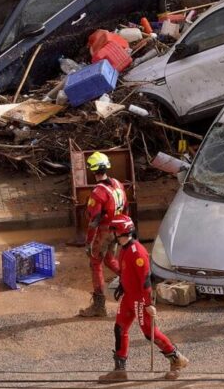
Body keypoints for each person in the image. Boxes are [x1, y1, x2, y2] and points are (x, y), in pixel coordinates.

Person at [98, 214, 189, 382]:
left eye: (114, 231)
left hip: (140, 300)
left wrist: (148, 304)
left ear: (121, 232)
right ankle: (120, 371)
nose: (113, 235)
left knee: (149, 333)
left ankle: (177, 359)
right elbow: (127, 273)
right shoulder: (124, 249)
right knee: (120, 329)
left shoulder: (137, 252)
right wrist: (122, 285)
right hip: (129, 298)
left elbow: (145, 280)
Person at [80, 152, 128, 318]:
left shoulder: (98, 192)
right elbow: (126, 209)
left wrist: (88, 242)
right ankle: (131, 281)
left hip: (104, 232)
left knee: (95, 263)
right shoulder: (118, 184)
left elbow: (93, 221)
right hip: (117, 229)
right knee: (109, 259)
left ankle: (99, 307)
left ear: (92, 170)